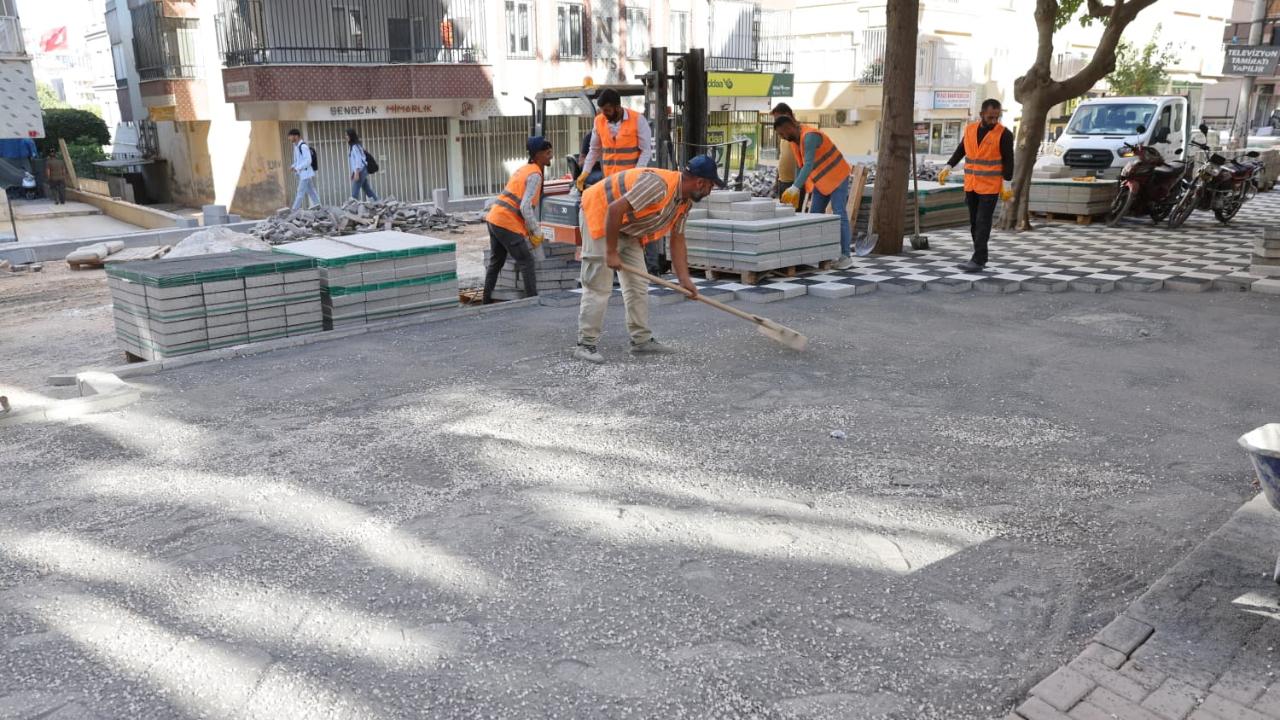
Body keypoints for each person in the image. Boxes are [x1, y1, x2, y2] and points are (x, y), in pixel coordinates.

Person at [574, 156, 724, 364]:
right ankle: (585, 344)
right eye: (711, 186)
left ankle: (641, 340)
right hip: (600, 214)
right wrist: (611, 252)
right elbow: (614, 209)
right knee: (599, 285)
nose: (710, 191)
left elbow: (678, 239)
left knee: (638, 284)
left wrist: (684, 279)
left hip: (626, 227)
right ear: (700, 183)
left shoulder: (684, 202)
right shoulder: (658, 186)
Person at [937, 99, 1014, 272]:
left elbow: (1009, 161)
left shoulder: (1004, 134)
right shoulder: (970, 130)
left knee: (982, 222)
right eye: (990, 117)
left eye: (997, 117)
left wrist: (1007, 185)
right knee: (974, 223)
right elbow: (961, 150)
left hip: (990, 187)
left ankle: (978, 259)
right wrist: (948, 166)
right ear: (981, 114)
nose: (994, 121)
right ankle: (980, 256)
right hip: (971, 185)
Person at [773, 115, 854, 269]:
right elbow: (800, 165)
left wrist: (795, 187)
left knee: (839, 213)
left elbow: (808, 165)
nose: (782, 137)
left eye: (782, 133)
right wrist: (797, 188)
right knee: (814, 215)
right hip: (822, 180)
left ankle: (846, 256)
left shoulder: (809, 137)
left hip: (837, 175)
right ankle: (816, 254)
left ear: (789, 127)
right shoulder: (795, 141)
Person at [483, 136, 552, 303]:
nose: (551, 156)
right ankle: (532, 302)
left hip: (494, 218)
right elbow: (525, 207)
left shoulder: (524, 169)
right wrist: (536, 232)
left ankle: (486, 301)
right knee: (526, 262)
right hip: (506, 222)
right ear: (538, 154)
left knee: (496, 261)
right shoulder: (535, 175)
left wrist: (528, 229)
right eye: (548, 153)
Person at [770, 103, 803, 210]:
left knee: (796, 213)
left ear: (787, 115)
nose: (776, 122)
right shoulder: (783, 134)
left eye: (777, 118)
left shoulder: (799, 132)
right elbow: (782, 156)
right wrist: (777, 180)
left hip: (796, 182)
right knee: (784, 214)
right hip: (783, 181)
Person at [288, 128, 320, 210]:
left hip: (306, 173)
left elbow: (308, 160)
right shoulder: (296, 147)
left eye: (290, 136)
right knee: (312, 192)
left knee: (300, 192)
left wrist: (298, 168)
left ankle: (294, 210)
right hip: (304, 174)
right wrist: (293, 166)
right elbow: (298, 161)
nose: (289, 138)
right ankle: (319, 207)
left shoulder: (303, 147)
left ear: (296, 136)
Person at [346, 128, 378, 201]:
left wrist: (356, 173)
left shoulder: (355, 147)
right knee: (367, 189)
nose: (346, 137)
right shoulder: (355, 146)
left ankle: (352, 206)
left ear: (351, 136)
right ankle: (378, 202)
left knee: (355, 192)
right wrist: (353, 173)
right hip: (361, 170)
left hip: (361, 171)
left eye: (347, 135)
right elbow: (355, 162)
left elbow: (358, 160)